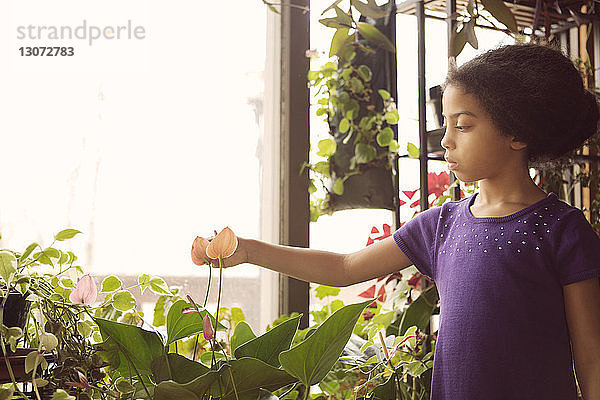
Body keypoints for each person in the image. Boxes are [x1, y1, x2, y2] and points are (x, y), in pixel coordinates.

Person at [196, 43, 600, 399]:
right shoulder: (440, 225)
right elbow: (345, 268)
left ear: (517, 133)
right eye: (446, 124)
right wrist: (249, 250)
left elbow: (591, 355)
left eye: (463, 125)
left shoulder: (562, 230)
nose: (446, 139)